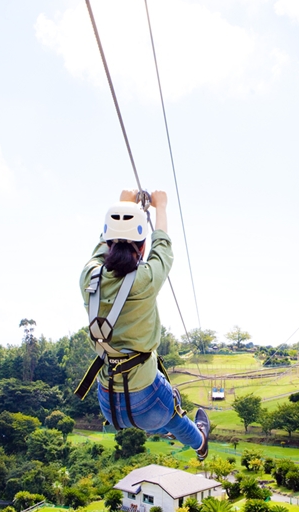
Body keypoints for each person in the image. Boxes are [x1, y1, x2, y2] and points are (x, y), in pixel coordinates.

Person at [75, 189, 210, 461]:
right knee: (173, 413)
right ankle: (200, 442)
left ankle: (165, 425)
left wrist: (124, 204)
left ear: (108, 243)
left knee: (158, 414)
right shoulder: (145, 279)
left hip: (108, 405)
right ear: (142, 247)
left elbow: (103, 249)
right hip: (148, 402)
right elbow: (163, 248)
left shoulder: (88, 278)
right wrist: (161, 207)